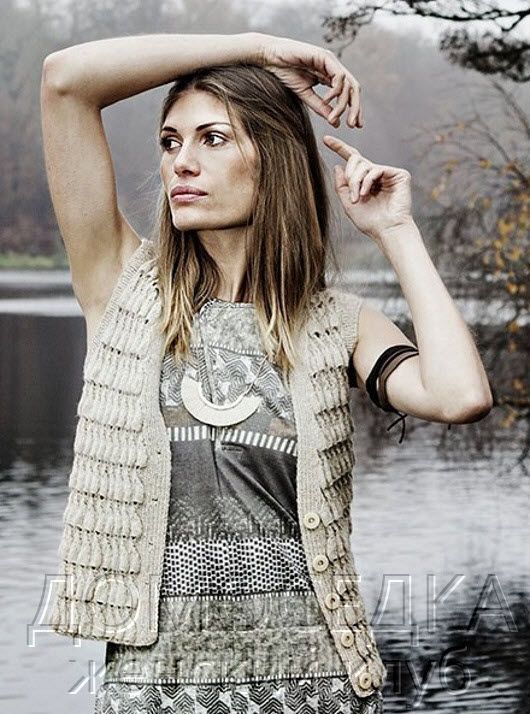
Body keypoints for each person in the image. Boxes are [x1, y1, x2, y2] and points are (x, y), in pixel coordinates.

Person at [40, 31, 494, 714]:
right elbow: (65, 80)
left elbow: (460, 396)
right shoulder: (124, 290)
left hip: (316, 690)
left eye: (213, 139)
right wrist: (257, 48)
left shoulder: (338, 324)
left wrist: (396, 232)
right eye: (170, 142)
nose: (182, 162)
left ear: (273, 157)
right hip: (153, 692)